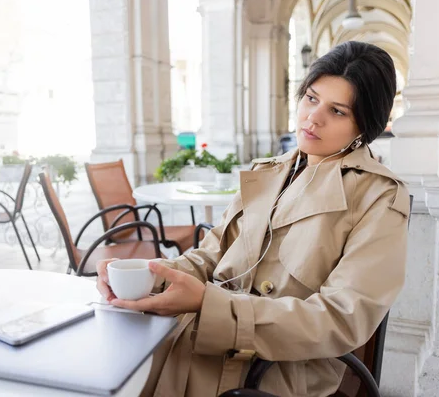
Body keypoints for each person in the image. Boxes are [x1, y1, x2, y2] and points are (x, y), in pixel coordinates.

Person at [96, 41, 410, 397]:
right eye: (310, 98)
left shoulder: (379, 196)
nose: (313, 117)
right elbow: (209, 256)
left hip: (274, 372)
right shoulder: (267, 173)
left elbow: (341, 319)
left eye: (337, 111)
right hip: (198, 344)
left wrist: (209, 305)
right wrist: (148, 276)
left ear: (365, 125)